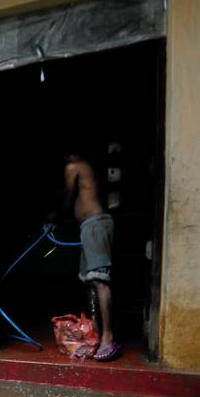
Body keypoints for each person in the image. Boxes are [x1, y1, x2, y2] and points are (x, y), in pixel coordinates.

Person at [62, 152, 121, 362]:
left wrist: (56, 217)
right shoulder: (89, 166)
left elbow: (67, 198)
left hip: (95, 224)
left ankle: (107, 338)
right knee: (91, 281)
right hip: (91, 225)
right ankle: (95, 336)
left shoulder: (75, 165)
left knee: (99, 280)